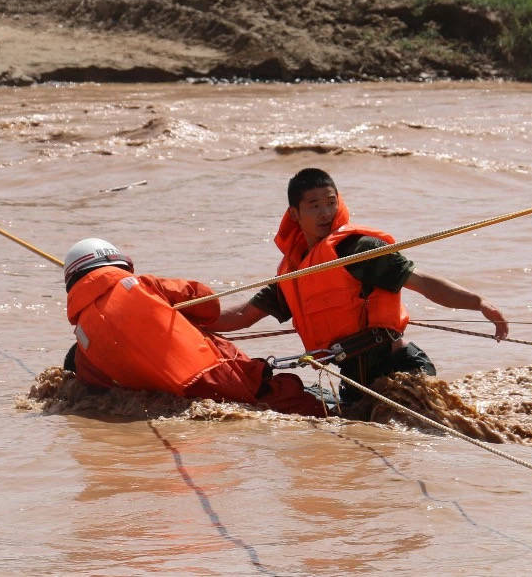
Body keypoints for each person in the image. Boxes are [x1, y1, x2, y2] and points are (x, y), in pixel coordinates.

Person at [209, 168, 509, 404]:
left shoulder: (357, 249)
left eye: (331, 203)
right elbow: (243, 316)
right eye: (314, 206)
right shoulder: (293, 275)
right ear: (295, 214)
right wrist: (184, 317)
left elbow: (422, 282)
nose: (326, 213)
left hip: (401, 368)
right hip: (354, 380)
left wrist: (478, 302)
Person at [60, 237, 326, 416]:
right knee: (314, 406)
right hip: (224, 377)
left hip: (175, 402)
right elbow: (208, 304)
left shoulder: (83, 345)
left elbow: (96, 389)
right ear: (121, 265)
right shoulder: (143, 285)